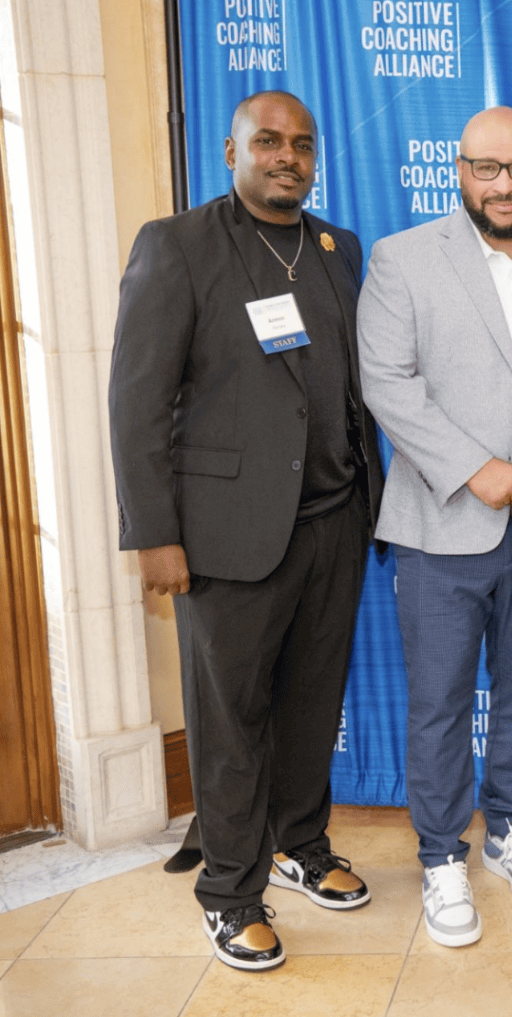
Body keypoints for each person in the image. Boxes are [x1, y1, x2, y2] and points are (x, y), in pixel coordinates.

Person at [108, 90, 383, 971]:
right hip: (226, 537)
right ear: (231, 149)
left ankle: (302, 846)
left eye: (302, 144)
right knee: (230, 722)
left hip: (334, 525)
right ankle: (229, 892)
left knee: (312, 705)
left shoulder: (337, 249)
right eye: (267, 142)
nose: (286, 157)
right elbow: (136, 401)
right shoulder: (178, 245)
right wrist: (154, 532)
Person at [356, 106, 512, 948]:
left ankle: (505, 827)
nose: (506, 185)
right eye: (488, 168)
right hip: (441, 524)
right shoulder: (400, 260)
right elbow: (389, 383)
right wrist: (481, 470)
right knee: (435, 702)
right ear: (458, 170)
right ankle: (439, 856)